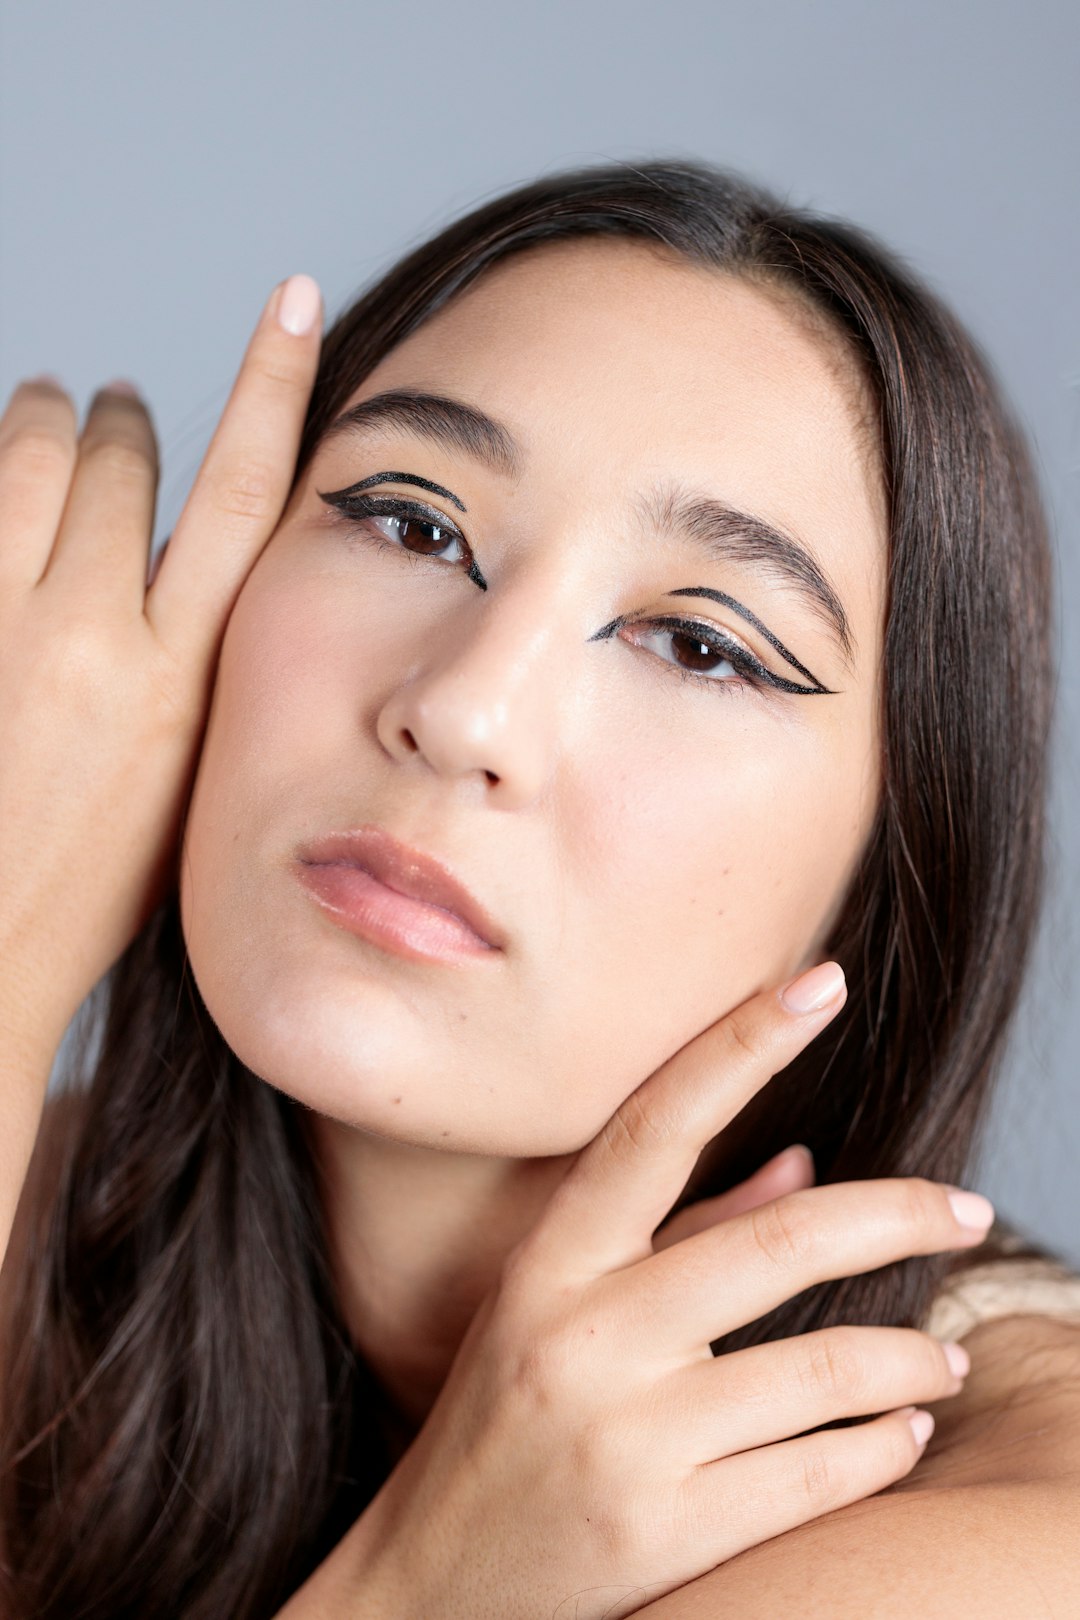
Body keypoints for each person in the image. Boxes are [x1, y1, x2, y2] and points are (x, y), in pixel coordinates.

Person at [0, 158, 1078, 1620]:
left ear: (891, 880)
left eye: (701, 646)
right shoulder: (52, 1222)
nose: (465, 714)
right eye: (413, 524)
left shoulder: (1002, 1547)